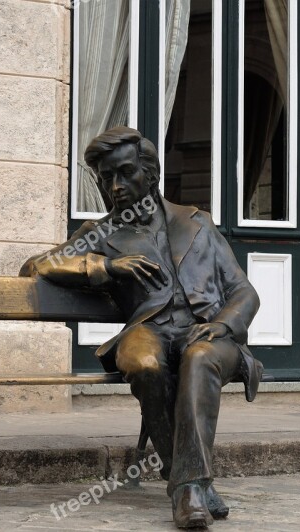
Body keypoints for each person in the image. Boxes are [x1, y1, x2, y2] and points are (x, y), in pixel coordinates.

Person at [20, 126, 262, 528]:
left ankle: (186, 488)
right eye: (105, 179)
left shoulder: (197, 222)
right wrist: (104, 266)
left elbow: (244, 292)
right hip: (148, 330)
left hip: (206, 333)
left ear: (151, 174)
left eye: (124, 173)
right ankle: (192, 485)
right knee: (143, 362)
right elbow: (36, 266)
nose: (114, 186)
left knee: (199, 357)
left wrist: (222, 325)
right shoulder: (99, 234)